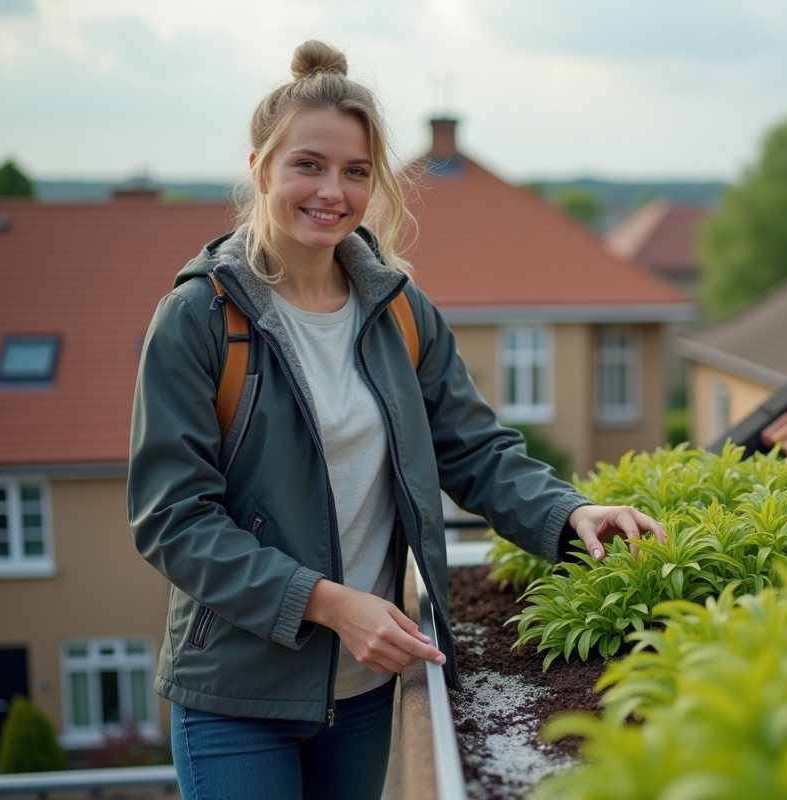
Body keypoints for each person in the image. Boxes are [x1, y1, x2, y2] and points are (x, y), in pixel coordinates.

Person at [127, 39, 665, 800]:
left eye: (355, 171)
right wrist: (329, 603)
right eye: (307, 165)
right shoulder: (197, 319)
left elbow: (475, 450)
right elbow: (172, 520)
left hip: (367, 690)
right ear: (260, 171)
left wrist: (571, 511)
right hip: (234, 700)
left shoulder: (401, 312)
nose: (332, 191)